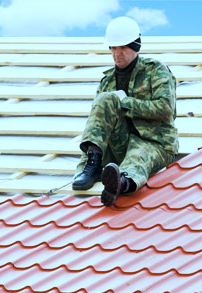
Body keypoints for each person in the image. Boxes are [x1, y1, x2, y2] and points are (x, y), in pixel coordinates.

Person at [72, 16, 179, 206]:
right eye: (113, 48)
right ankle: (95, 167)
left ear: (134, 46)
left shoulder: (155, 71)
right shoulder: (107, 81)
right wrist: (84, 167)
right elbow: (97, 127)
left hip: (154, 141)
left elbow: (165, 109)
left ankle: (121, 184)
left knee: (138, 157)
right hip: (120, 143)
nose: (117, 53)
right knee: (104, 99)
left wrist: (126, 103)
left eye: (122, 48)